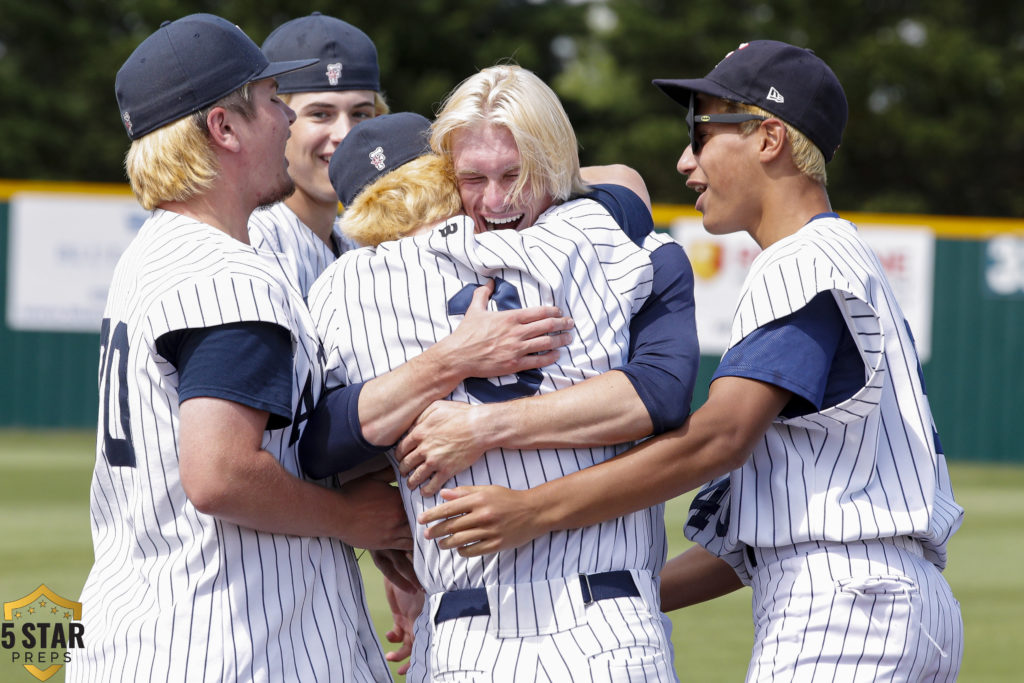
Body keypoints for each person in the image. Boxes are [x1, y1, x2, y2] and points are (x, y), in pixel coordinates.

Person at [419, 41, 966, 682]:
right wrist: (606, 596)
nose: (686, 161)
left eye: (702, 132)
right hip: (889, 598)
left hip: (846, 606)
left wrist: (532, 510)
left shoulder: (802, 260)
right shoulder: (845, 255)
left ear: (768, 138)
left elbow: (718, 438)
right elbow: (742, 547)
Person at [68, 14, 408, 682]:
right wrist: (350, 518)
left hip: (154, 631)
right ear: (224, 128)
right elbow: (219, 472)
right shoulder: (224, 271)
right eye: (273, 102)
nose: (284, 119)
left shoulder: (155, 252)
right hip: (227, 645)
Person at [306, 108, 681, 681]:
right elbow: (625, 187)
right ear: (451, 179)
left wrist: (374, 489)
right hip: (607, 622)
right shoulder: (579, 236)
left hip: (461, 635)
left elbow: (320, 446)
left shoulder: (343, 288)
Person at [248, 12, 388, 297]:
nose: (345, 134)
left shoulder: (361, 244)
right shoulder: (254, 239)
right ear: (274, 119)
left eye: (360, 113)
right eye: (321, 114)